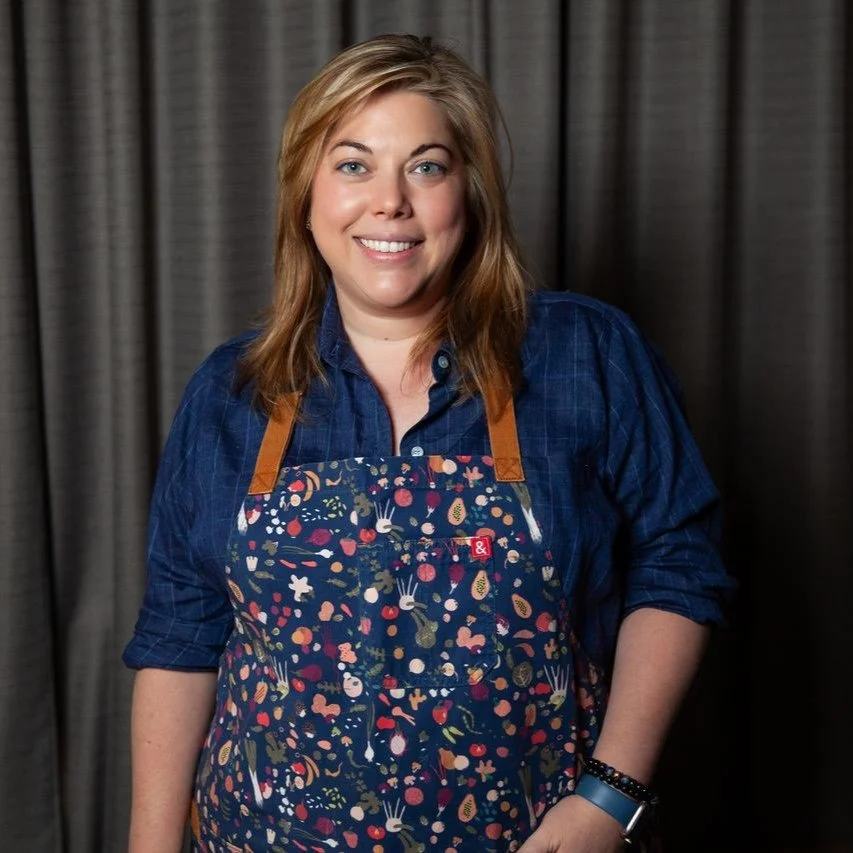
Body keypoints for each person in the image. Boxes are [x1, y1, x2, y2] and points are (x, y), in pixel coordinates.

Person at [123, 33, 736, 853]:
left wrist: (609, 798)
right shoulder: (231, 391)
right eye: (353, 165)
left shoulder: (584, 353)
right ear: (305, 193)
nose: (389, 202)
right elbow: (180, 635)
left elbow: (677, 565)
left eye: (425, 166)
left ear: (468, 193)